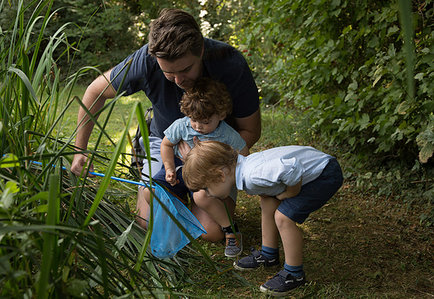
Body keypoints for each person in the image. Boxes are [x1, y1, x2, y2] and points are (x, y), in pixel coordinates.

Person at [70, 8, 261, 242]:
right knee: (147, 222)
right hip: (165, 141)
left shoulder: (230, 64)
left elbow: (250, 131)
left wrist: (205, 156)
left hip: (217, 149)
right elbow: (94, 92)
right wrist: (80, 150)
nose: (179, 81)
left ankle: (187, 200)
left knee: (211, 232)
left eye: (185, 69)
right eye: (168, 73)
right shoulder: (145, 61)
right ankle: (172, 191)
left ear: (200, 50)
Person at [182, 141, 343, 296]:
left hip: (324, 174)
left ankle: (294, 274)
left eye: (206, 188)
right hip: (315, 168)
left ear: (220, 175)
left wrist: (291, 193)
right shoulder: (245, 170)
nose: (207, 194)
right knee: (267, 199)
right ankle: (268, 254)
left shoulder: (253, 175)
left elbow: (292, 169)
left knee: (283, 217)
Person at [144, 77, 248, 257]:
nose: (199, 126)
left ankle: (230, 229)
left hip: (208, 179)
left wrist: (223, 167)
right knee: (149, 191)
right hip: (180, 171)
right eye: (194, 120)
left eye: (206, 122)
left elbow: (244, 156)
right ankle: (180, 211)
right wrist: (169, 168)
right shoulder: (182, 126)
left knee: (207, 220)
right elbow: (166, 144)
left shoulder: (226, 134)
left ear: (221, 115)